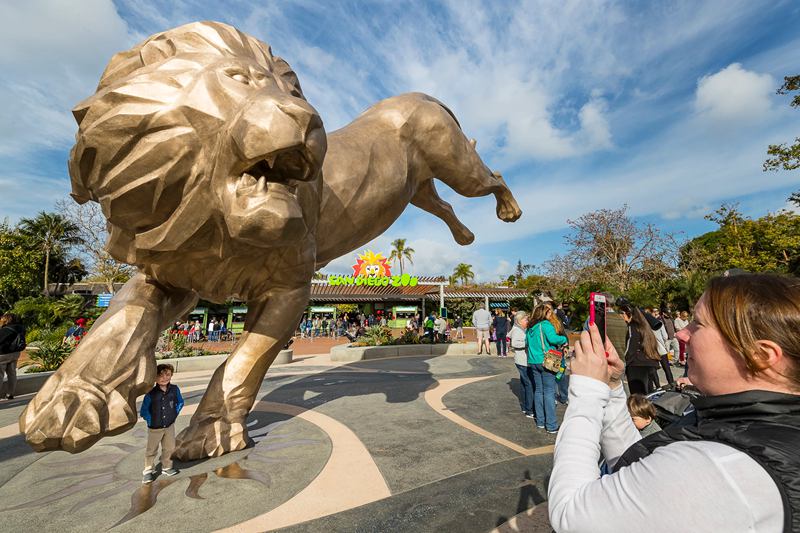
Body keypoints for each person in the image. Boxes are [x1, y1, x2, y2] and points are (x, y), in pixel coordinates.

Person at [549, 273, 800, 532]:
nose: (681, 334)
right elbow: (641, 468)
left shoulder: (720, 470)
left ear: (761, 355)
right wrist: (613, 387)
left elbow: (571, 514)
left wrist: (587, 391)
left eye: (698, 324)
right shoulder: (758, 429)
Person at [526, 304, 567, 433]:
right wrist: (564, 339)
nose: (551, 314)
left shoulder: (530, 327)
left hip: (533, 361)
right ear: (544, 313)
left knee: (538, 391)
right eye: (549, 312)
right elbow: (554, 339)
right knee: (549, 392)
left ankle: (540, 422)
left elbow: (527, 344)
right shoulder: (545, 325)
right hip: (547, 360)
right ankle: (551, 425)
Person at [140, 363, 184, 483]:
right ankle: (148, 470)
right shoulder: (150, 393)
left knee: (169, 447)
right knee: (151, 449)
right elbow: (144, 410)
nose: (164, 378)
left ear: (171, 375)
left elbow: (180, 402)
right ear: (155, 377)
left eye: (168, 375)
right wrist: (150, 420)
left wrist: (175, 413)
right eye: (161, 375)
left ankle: (167, 466)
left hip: (169, 426)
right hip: (155, 428)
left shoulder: (174, 390)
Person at [619, 303, 661, 395]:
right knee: (648, 395)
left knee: (638, 397)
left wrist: (624, 361)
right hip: (649, 363)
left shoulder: (632, 327)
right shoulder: (645, 327)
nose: (620, 316)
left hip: (636, 365)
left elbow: (631, 347)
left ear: (628, 314)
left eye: (622, 313)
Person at [510, 311, 534, 418]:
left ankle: (525, 407)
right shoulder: (517, 330)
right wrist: (527, 343)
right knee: (529, 384)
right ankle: (529, 409)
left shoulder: (520, 329)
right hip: (522, 361)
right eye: (525, 319)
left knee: (525, 384)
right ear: (519, 321)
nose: (527, 321)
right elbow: (514, 343)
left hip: (522, 360)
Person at [0, 314, 25, 400]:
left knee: (0, 374)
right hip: (15, 353)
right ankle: (10, 394)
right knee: (12, 373)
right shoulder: (21, 328)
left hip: (3, 354)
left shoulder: (4, 330)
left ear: (5, 320)